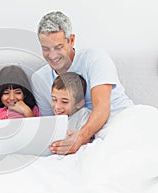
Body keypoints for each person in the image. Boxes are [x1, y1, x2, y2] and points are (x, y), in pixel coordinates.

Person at [31, 11, 133, 155]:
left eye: (58, 47)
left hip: (120, 123)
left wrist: (80, 138)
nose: (52, 56)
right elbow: (54, 125)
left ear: (71, 40)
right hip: (85, 142)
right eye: (46, 49)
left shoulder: (94, 58)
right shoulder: (39, 79)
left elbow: (102, 107)